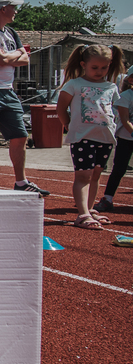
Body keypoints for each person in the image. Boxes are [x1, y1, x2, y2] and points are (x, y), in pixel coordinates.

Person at [0, 0, 49, 195]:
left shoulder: (12, 32)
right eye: (13, 7)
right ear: (2, 9)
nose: (16, 11)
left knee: (20, 136)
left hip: (8, 90)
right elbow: (0, 58)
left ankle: (21, 181)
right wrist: (11, 56)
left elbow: (23, 59)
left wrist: (8, 57)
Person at [56, 44, 124, 229]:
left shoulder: (111, 86)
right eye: (94, 67)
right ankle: (82, 213)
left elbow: (114, 109)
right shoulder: (74, 84)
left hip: (105, 137)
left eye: (104, 67)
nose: (99, 71)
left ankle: (89, 208)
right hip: (82, 137)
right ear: (83, 64)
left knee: (96, 175)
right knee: (83, 175)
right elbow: (61, 108)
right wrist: (69, 125)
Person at [97, 71, 133, 213]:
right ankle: (107, 199)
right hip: (126, 137)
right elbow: (125, 119)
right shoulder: (126, 96)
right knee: (119, 168)